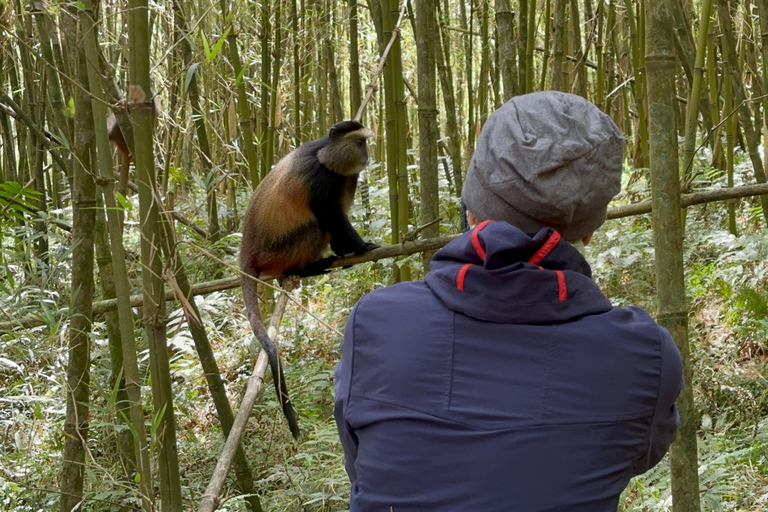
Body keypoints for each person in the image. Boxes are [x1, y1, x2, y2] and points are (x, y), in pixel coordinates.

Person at [334, 91, 684, 512]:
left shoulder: (377, 323)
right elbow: (637, 454)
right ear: (589, 229)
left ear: (473, 208)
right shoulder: (643, 355)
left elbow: (364, 466)